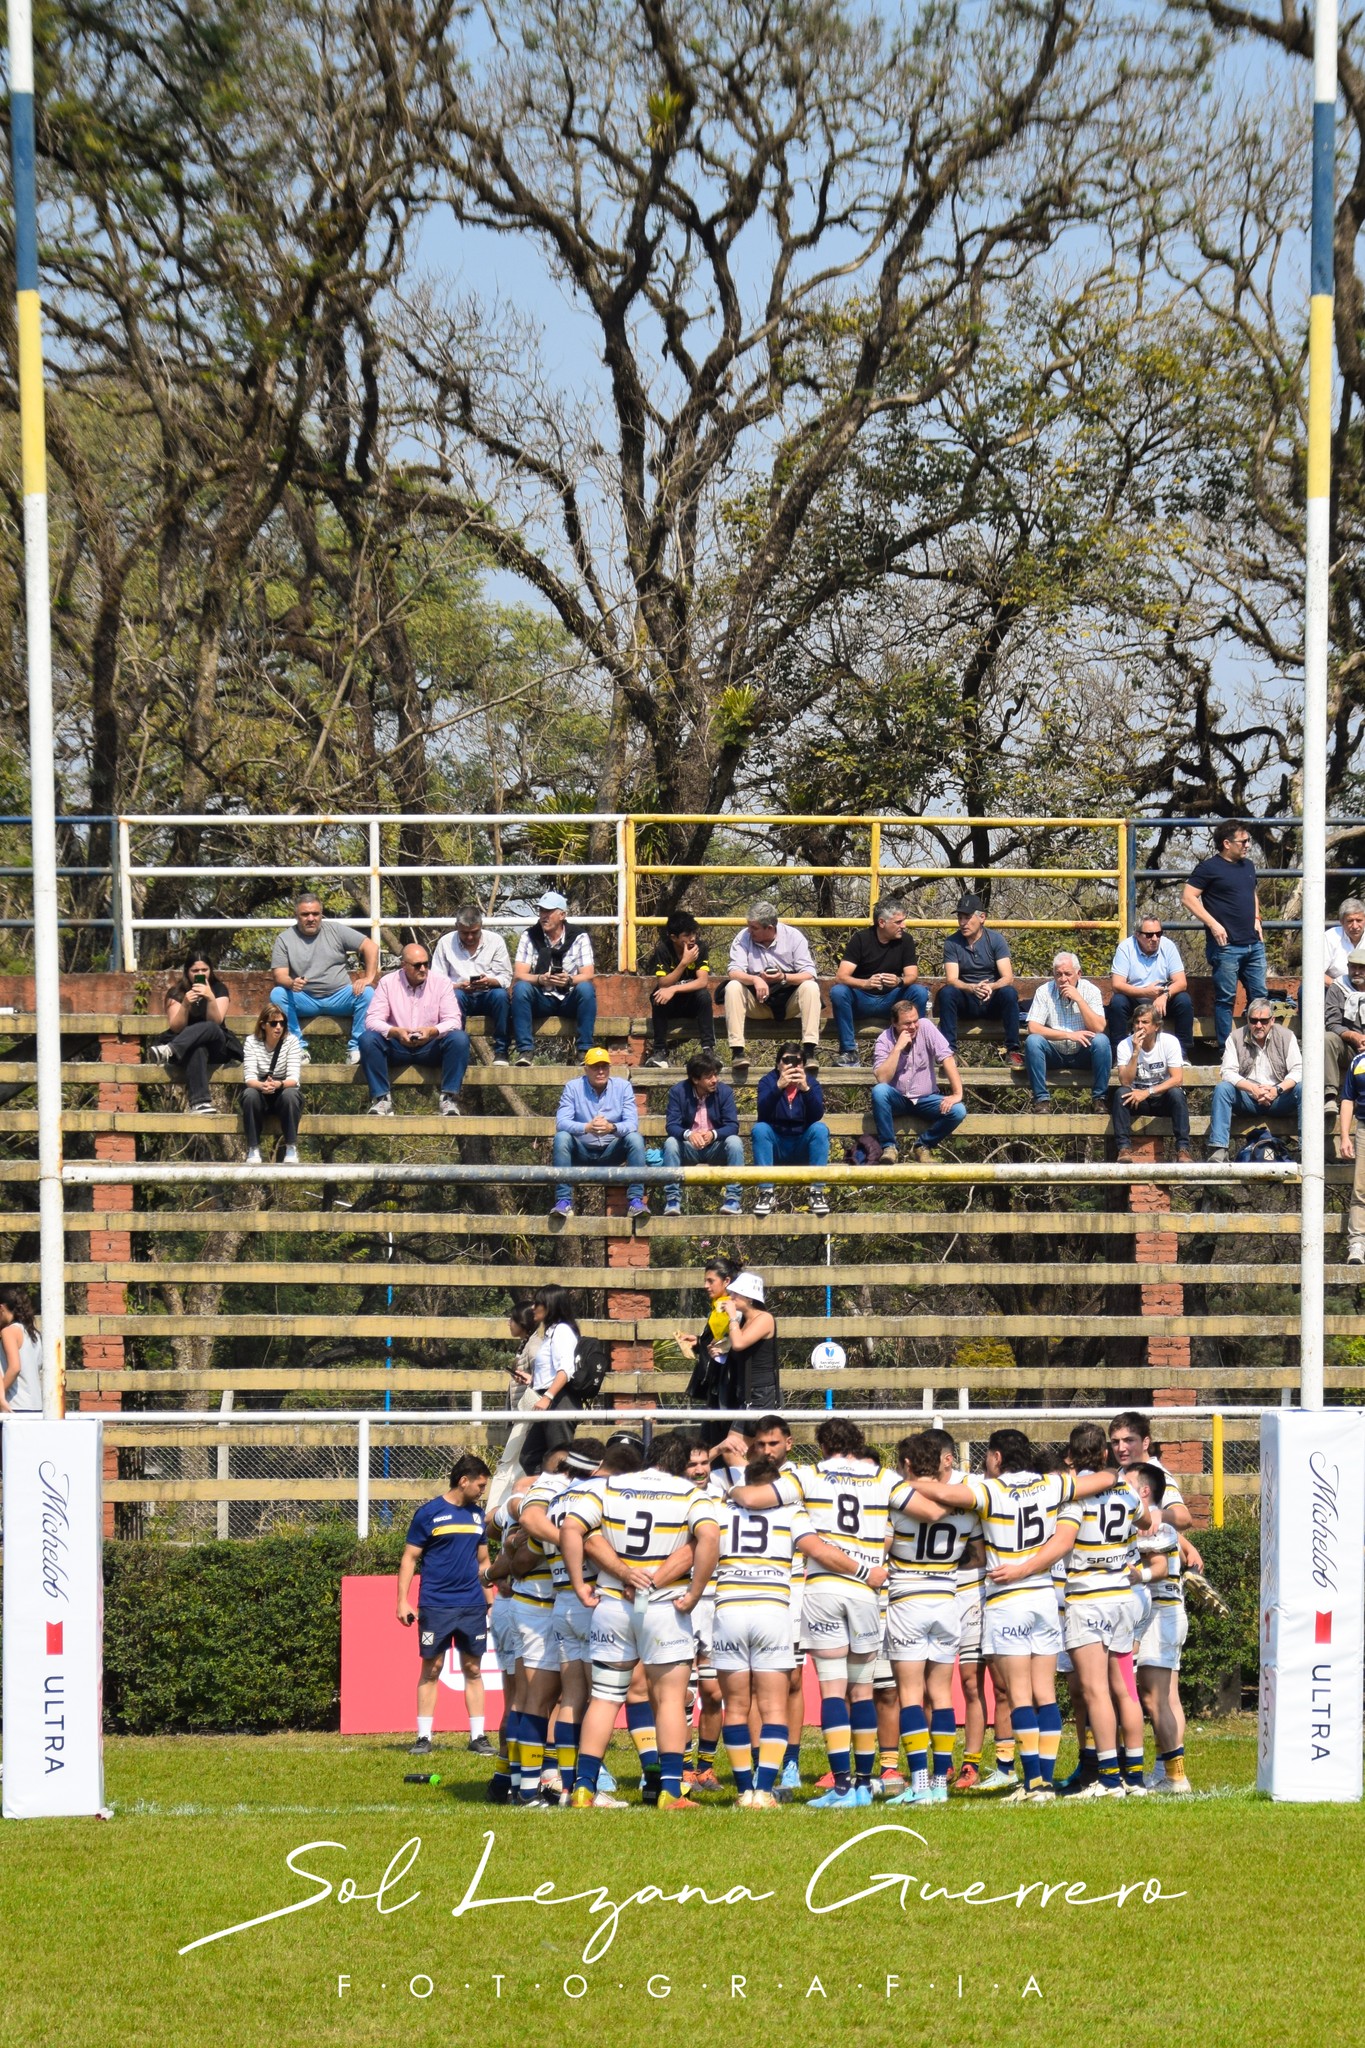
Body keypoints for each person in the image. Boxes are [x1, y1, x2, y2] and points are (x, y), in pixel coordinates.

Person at [912, 1427, 1117, 1803]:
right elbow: (1107, 1478)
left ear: (996, 1457)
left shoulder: (989, 1490)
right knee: (1045, 1694)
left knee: (1020, 1694)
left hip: (1007, 1601)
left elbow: (943, 1492)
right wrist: (1105, 1472)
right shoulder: (1051, 1485)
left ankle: (1033, 1782)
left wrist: (900, 1483)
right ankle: (1046, 1783)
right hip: (1043, 1598)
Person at [726, 1417, 893, 1810]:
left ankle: (841, 1787)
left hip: (822, 1590)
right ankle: (864, 1784)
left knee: (832, 1690)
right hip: (866, 1594)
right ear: (859, 1443)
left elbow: (754, 1499)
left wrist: (733, 1487)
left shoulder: (808, 1475)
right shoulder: (882, 1477)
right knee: (863, 1691)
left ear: (820, 1447)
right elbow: (920, 1510)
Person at [561, 1429, 722, 1810]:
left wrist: (580, 1584)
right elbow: (709, 1539)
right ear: (682, 1465)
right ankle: (670, 1791)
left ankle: (583, 1788)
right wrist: (694, 1592)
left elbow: (571, 1528)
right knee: (669, 1701)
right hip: (664, 1608)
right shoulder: (690, 1494)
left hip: (613, 1603)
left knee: (604, 1698)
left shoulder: (609, 1487)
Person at [1033, 1424, 1155, 1798]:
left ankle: (1108, 1779)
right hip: (1122, 1596)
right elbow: (1147, 1521)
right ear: (1104, 1453)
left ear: (1071, 1456)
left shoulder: (1075, 1496)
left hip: (1088, 1597)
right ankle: (1134, 1778)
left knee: (1095, 1691)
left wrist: (1024, 1568)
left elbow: (1063, 1542)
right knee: (1125, 1689)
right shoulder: (1126, 1490)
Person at [882, 1431, 981, 1807]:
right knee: (941, 1694)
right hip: (946, 1600)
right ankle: (940, 1783)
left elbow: (881, 1550)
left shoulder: (896, 1501)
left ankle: (919, 1783)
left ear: (907, 1464)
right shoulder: (965, 1504)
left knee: (910, 1695)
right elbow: (976, 1555)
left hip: (908, 1601)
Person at [396, 1453, 494, 1757]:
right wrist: (402, 1600)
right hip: (436, 1605)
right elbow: (410, 1558)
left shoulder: (478, 1516)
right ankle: (423, 1737)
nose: (482, 1491)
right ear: (463, 1481)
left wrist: (490, 1599)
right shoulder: (428, 1513)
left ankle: (478, 1736)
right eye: (480, 1485)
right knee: (432, 1668)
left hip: (472, 1606)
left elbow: (483, 1561)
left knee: (473, 1669)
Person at [1126, 1461, 1191, 1794]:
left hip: (1161, 1613)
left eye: (1127, 1483)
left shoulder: (1153, 1523)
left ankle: (1175, 1777)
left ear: (1144, 1490)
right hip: (1156, 1614)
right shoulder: (1141, 1521)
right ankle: (1166, 1773)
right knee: (1156, 1698)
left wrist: (1139, 1575)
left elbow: (1161, 1567)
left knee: (1155, 1700)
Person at [357, 942, 471, 1116]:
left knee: (460, 1038)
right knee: (367, 1039)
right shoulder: (388, 982)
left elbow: (454, 1021)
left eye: (426, 964)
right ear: (404, 965)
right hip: (397, 1045)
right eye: (417, 965)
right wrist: (396, 1032)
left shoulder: (442, 983)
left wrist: (432, 1031)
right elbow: (372, 1020)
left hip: (431, 1047)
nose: (423, 969)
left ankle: (448, 1099)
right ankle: (381, 1099)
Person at [1182, 821, 1266, 1050]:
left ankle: (1259, 1045)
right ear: (1227, 843)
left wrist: (1257, 918)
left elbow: (1252, 892)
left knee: (1260, 996)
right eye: (1243, 841)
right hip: (1226, 946)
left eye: (1248, 840)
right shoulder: (1209, 868)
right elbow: (1188, 897)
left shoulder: (1248, 866)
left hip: (1253, 944)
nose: (1248, 845)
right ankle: (1226, 1049)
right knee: (1226, 999)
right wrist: (1213, 924)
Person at [269, 891, 378, 1064]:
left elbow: (370, 947)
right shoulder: (285, 939)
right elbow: (279, 975)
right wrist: (291, 983)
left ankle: (356, 1048)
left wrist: (368, 977)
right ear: (296, 915)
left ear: (321, 914)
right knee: (277, 994)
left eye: (315, 914)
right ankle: (297, 1047)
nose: (311, 918)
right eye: (305, 914)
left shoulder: (335, 930)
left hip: (340, 997)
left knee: (368, 993)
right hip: (306, 998)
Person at [723, 901, 823, 1079]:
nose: (749, 931)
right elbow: (733, 971)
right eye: (749, 926)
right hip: (756, 1004)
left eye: (754, 928)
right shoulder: (743, 937)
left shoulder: (793, 937)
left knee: (810, 987)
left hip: (788, 1004)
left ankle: (809, 1052)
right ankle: (737, 1053)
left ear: (769, 928)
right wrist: (755, 979)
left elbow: (809, 974)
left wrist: (783, 977)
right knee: (732, 987)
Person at [550, 1046, 648, 1222]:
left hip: (613, 1151)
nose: (601, 1071)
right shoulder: (573, 1087)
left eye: (604, 1066)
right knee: (562, 1137)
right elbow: (561, 1122)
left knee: (635, 1138)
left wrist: (612, 1127)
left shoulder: (623, 1087)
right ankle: (563, 1201)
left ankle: (635, 1201)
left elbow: (632, 1124)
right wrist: (586, 1127)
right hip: (581, 1151)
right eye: (595, 1067)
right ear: (586, 1069)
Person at [829, 898, 927, 1066]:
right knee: (838, 992)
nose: (904, 926)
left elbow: (912, 976)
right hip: (862, 1000)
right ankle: (849, 1052)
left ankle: (914, 1047)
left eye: (903, 921)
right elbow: (841, 977)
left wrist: (899, 981)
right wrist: (865, 983)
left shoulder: (906, 940)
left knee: (919, 992)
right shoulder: (861, 939)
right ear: (882, 922)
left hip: (892, 1003)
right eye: (898, 922)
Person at [869, 998, 966, 1162]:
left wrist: (957, 1093)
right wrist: (897, 1048)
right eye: (907, 1023)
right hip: (898, 1099)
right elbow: (882, 1079)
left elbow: (947, 1058)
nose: (913, 1026)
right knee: (879, 1091)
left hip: (926, 1099)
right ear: (894, 1023)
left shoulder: (926, 1027)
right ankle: (889, 1147)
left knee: (958, 1111)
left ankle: (922, 1146)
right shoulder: (884, 1039)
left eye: (915, 1021)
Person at [1206, 998, 1301, 1162]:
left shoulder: (1286, 1036)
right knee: (1223, 1089)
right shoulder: (1235, 1037)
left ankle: (1306, 1150)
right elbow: (1227, 1072)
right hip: (1248, 1098)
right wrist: (1253, 1089)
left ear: (1272, 1020)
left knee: (1303, 1089)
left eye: (1264, 1021)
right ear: (1247, 1020)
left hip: (1279, 1098)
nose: (1258, 1025)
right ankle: (1219, 1149)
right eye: (1254, 1020)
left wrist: (1277, 1090)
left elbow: (1298, 1070)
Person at [935, 893, 1024, 1068]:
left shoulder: (996, 940)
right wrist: (972, 988)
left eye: (967, 917)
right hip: (967, 1000)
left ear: (982, 917)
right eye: (960, 918)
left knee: (1009, 992)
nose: (962, 923)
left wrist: (991, 986)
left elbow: (1008, 977)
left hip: (992, 1001)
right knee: (947, 992)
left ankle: (1013, 1050)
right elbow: (952, 979)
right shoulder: (952, 942)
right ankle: (948, 1052)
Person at [511, 890, 597, 1062]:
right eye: (541, 911)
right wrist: (539, 979)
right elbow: (519, 974)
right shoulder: (530, 935)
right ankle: (525, 1051)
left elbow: (588, 975)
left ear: (562, 915)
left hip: (568, 999)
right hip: (541, 998)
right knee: (521, 988)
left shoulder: (579, 936)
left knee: (586, 989)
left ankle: (584, 1050)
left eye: (548, 911)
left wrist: (569, 980)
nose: (544, 916)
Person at [151, 952, 241, 1112]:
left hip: (216, 1046)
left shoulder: (219, 989)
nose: (200, 974)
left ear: (211, 970)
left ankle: (170, 1049)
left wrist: (210, 998)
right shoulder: (176, 992)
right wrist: (185, 1004)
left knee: (211, 1027)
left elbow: (216, 1021)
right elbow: (176, 1027)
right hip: (187, 1050)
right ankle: (200, 1103)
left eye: (204, 970)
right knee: (197, 1048)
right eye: (195, 971)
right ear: (187, 972)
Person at [751, 1042, 830, 1217]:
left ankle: (817, 1193)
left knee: (820, 1129)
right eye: (786, 1061)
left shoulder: (812, 1084)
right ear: (778, 1064)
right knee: (760, 1129)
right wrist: (778, 1087)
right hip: (777, 1145)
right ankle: (766, 1193)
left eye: (797, 1062)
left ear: (803, 1065)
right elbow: (762, 1113)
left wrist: (806, 1090)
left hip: (801, 1144)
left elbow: (817, 1115)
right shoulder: (767, 1082)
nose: (792, 1066)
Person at [1024, 951, 1113, 1107]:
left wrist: (1079, 999)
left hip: (1083, 1053)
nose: (1063, 979)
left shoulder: (1091, 991)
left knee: (1102, 1041)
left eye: (1068, 974)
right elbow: (1033, 1027)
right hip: (1054, 1053)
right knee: (1033, 1041)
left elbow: (1099, 1027)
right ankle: (1041, 1100)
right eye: (1058, 974)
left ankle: (1100, 1099)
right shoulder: (1044, 991)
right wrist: (1069, 1035)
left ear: (1079, 974)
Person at [662, 1051, 743, 1216]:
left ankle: (733, 1200)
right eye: (708, 1076)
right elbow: (671, 1125)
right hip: (689, 1148)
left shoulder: (725, 1092)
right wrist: (688, 1135)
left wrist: (713, 1134)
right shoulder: (678, 1092)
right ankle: (672, 1200)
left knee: (734, 1142)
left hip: (715, 1148)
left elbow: (732, 1126)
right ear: (695, 1079)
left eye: (715, 1075)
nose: (714, 1080)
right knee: (670, 1143)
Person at [1111, 1001, 1193, 1163]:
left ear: (1156, 1026)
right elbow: (1125, 1082)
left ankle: (1183, 1149)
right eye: (1137, 1022)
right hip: (1136, 1099)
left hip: (1161, 1098)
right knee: (1121, 1094)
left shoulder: (1169, 1042)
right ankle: (1124, 1148)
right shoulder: (1124, 1045)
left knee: (1177, 1094)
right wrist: (1135, 1052)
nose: (1140, 1026)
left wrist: (1148, 1092)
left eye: (1145, 1022)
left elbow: (1177, 1079)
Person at [432, 904, 513, 1064]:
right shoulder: (445, 943)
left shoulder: (495, 941)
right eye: (465, 933)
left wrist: (489, 981)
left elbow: (505, 977)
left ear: (481, 926)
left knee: (501, 996)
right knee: (454, 997)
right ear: (457, 926)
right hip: (459, 994)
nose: (470, 937)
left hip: (489, 994)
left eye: (474, 932)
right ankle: (457, 1049)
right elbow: (437, 981)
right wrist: (458, 986)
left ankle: (501, 1050)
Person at [1107, 917, 1194, 1057]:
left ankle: (1183, 1054)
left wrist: (1165, 995)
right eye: (1149, 935)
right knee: (1118, 1002)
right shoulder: (1126, 947)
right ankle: (1119, 1055)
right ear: (1137, 934)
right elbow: (1117, 984)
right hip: (1135, 1000)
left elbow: (1181, 982)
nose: (1155, 939)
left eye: (1159, 934)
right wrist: (1145, 992)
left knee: (1184, 1000)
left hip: (1161, 1001)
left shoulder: (1168, 946)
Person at [519, 1285, 583, 1473]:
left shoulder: (562, 1331)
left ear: (550, 1305)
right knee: (529, 1457)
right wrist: (532, 1379)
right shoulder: (551, 1333)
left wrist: (547, 1396)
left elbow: (566, 1370)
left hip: (558, 1401)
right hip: (549, 1400)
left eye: (538, 1303)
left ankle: (560, 1488)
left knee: (559, 1460)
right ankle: (547, 1487)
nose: (533, 1308)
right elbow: (552, 1371)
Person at [645, 911, 717, 1067]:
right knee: (658, 996)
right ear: (673, 937)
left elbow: (702, 981)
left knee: (704, 996)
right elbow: (663, 983)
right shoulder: (663, 950)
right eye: (687, 935)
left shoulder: (700, 947)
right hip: (671, 1005)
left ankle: (708, 1049)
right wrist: (684, 962)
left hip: (691, 1003)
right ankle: (660, 1051)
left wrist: (674, 989)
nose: (692, 938)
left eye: (694, 933)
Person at [241, 1002, 303, 1164]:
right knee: (249, 1095)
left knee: (291, 1095)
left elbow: (293, 1079)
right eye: (274, 1023)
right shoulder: (251, 1042)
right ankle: (253, 1148)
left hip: (283, 1090)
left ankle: (291, 1146)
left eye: (282, 1023)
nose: (278, 1027)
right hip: (260, 1091)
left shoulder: (292, 1041)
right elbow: (249, 1078)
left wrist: (278, 1084)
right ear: (263, 1025)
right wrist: (262, 1086)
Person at [1325, 941, 1365, 1107]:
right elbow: (1332, 1023)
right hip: (1349, 1047)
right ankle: (1329, 1096)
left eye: (1361, 968)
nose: (1356, 972)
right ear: (1347, 967)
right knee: (1327, 1038)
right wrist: (1353, 1036)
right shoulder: (1338, 987)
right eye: (1353, 967)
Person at [1336, 1040, 1365, 1264]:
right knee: (1361, 1189)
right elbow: (1347, 1099)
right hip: (1363, 1128)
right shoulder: (1358, 1062)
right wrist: (1345, 1136)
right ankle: (1357, 1243)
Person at [0, 1285, 43, 1415]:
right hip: (36, 1406)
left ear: (1, 1309)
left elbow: (15, 1367)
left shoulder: (9, 1331)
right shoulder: (34, 1333)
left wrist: (0, 1395)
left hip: (15, 1405)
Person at [1323, 896, 1365, 985]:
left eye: (1359, 920)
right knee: (1304, 989)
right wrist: (1341, 988)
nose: (1355, 926)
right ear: (1342, 922)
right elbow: (1316, 972)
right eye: (1350, 921)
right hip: (1333, 987)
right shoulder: (1330, 937)